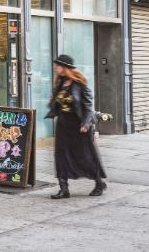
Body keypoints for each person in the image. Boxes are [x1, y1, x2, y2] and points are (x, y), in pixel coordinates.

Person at [46, 54, 107, 199]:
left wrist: (86, 123)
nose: (55, 68)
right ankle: (64, 189)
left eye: (57, 65)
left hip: (78, 125)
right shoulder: (59, 82)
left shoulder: (79, 84)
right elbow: (57, 103)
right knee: (61, 157)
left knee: (84, 157)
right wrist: (53, 102)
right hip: (63, 125)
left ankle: (99, 182)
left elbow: (87, 106)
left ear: (65, 67)